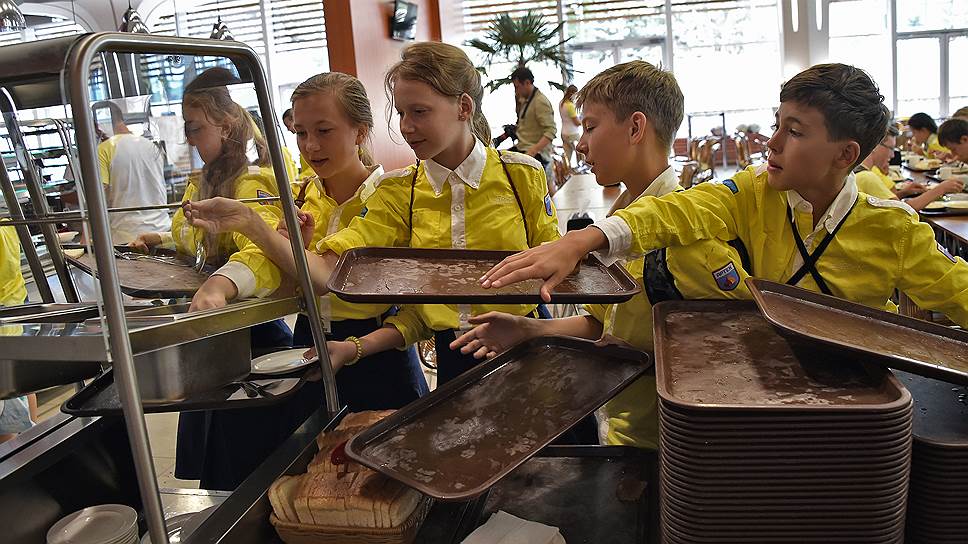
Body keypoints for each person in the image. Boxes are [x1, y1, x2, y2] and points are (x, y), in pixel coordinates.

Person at [479, 63, 968, 329]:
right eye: (778, 125)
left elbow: (957, 292)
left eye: (794, 132)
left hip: (851, 414)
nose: (772, 143)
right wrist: (583, 242)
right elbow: (678, 210)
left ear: (845, 154)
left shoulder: (892, 229)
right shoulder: (751, 194)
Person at [184, 42, 561, 386]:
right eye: (400, 113)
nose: (406, 127)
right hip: (453, 361)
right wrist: (251, 224)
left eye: (420, 112)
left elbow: (556, 274)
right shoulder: (398, 193)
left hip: (528, 346)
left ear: (463, 107)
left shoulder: (521, 175)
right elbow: (335, 273)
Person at [451, 61, 753, 449]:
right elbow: (600, 325)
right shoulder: (617, 219)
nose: (580, 143)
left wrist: (640, 359)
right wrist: (529, 331)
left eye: (591, 127)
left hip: (668, 448)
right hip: (618, 431)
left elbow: (730, 359)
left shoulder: (686, 243)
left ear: (635, 128)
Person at [93, 101, 171, 244]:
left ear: (99, 126)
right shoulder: (152, 146)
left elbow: (97, 199)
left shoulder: (104, 149)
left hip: (128, 237)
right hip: (162, 232)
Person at [854, 125, 963, 210]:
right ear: (874, 146)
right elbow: (903, 210)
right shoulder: (866, 177)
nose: (892, 155)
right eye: (891, 148)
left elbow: (887, 203)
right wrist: (941, 188)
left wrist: (904, 193)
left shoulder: (857, 172)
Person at [0, 224, 36, 443]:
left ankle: (14, 467)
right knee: (23, 384)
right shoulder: (7, 222)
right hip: (15, 307)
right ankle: (32, 443)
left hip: (5, 319)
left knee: (6, 414)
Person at [509, 67, 557, 172]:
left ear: (527, 82)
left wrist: (533, 151)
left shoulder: (540, 102)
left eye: (517, 87)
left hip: (536, 153)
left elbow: (551, 131)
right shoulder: (527, 100)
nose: (516, 91)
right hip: (523, 147)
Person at [559, 84, 581, 173]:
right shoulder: (570, 106)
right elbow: (576, 123)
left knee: (567, 157)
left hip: (564, 133)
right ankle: (579, 172)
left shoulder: (562, 103)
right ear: (573, 93)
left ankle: (566, 174)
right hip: (572, 134)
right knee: (581, 155)